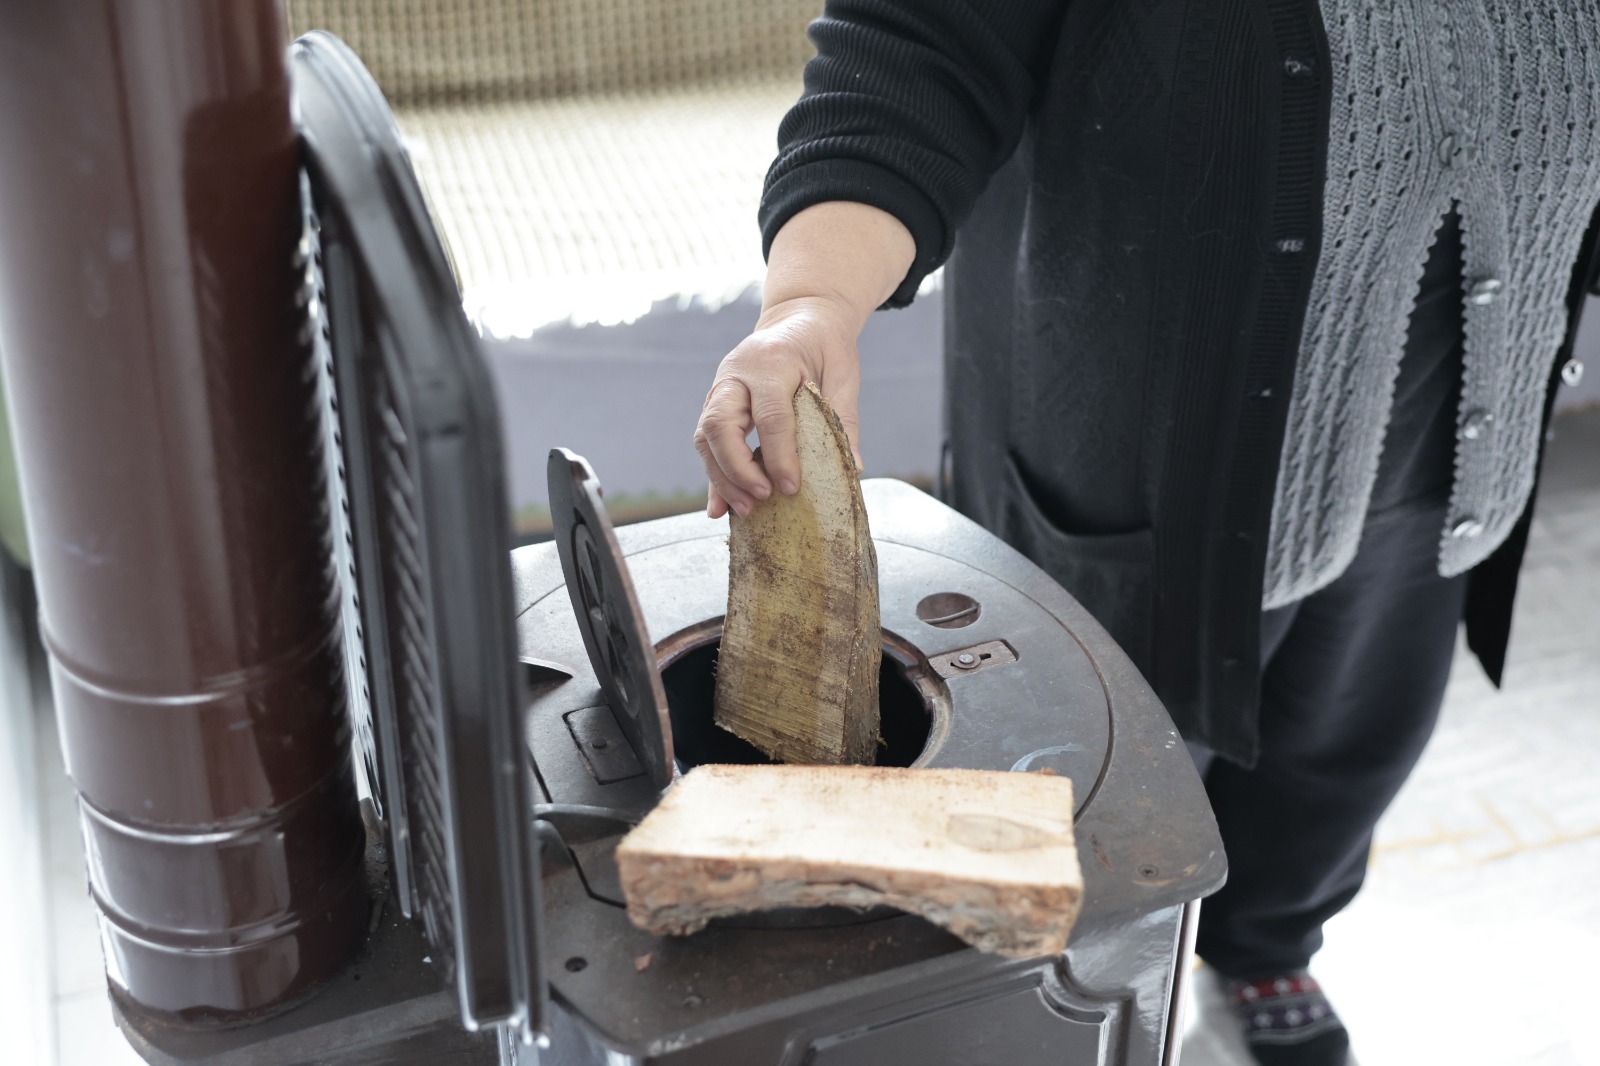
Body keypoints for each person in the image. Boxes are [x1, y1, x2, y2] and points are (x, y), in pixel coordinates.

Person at [692, 3, 1600, 1065]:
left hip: (1444, 431)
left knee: (1351, 735)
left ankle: (1263, 941)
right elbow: (921, 46)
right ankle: (1054, 1007)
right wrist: (809, 304)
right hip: (1140, 456)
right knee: (1085, 793)